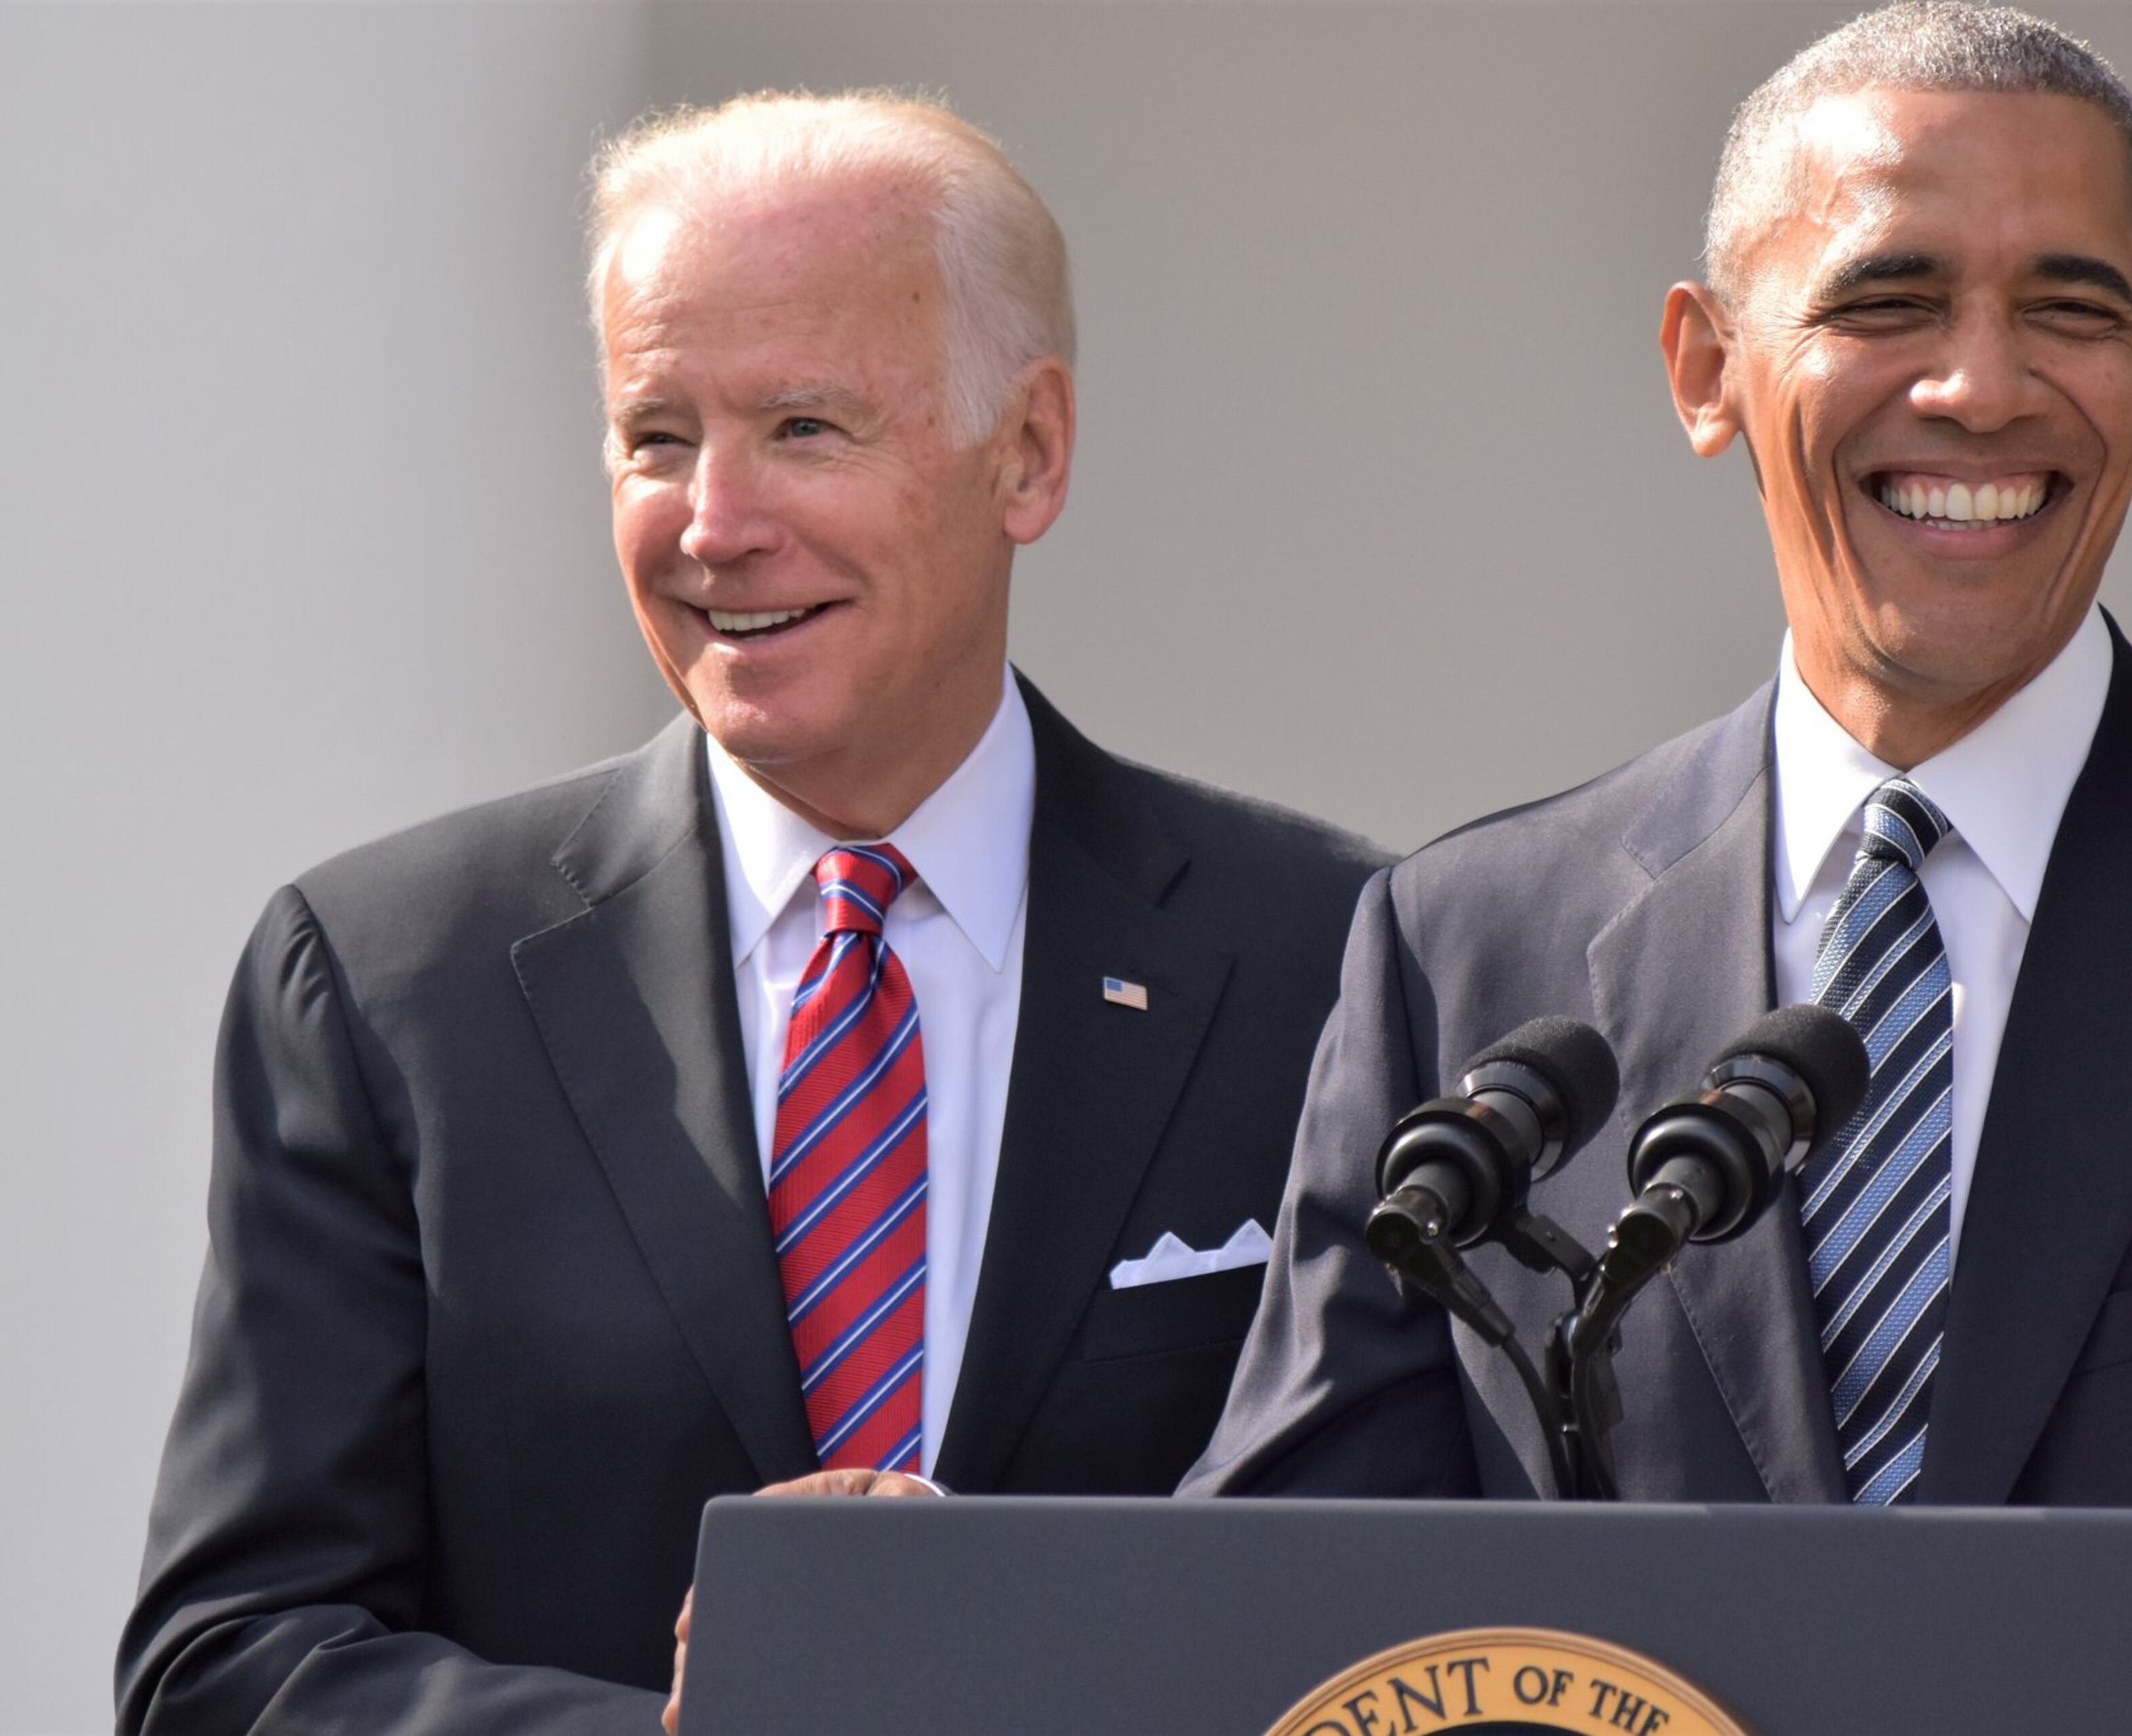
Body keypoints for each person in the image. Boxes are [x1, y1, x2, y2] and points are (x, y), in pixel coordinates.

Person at [1185, 7, 2132, 1735]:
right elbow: (1282, 1612)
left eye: (2073, 312)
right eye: (1889, 300)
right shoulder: (1464, 949)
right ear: (1704, 366)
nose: (1982, 386)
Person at [117, 92, 1385, 1734]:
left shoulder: (1334, 960)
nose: (713, 522)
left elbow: (1414, 1600)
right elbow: (232, 1659)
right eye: (657, 435)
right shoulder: (385, 984)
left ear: (1031, 450)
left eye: (803, 426)